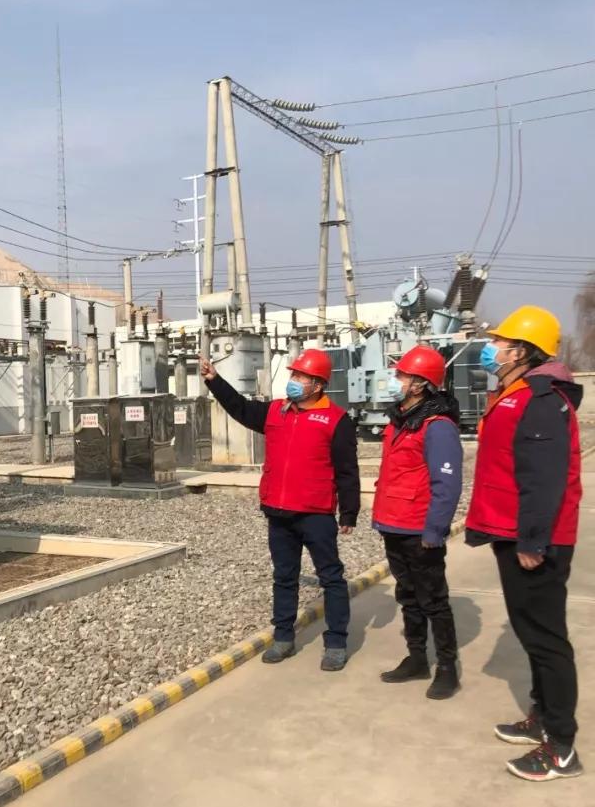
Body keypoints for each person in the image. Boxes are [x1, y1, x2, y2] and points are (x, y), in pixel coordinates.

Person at [465, 305, 583, 782]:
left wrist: (533, 541)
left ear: (521, 351)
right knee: (531, 632)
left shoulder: (541, 399)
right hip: (510, 530)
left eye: (499, 342)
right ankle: (543, 716)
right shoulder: (515, 394)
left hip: (533, 539)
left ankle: (562, 748)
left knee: (546, 639)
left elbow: (544, 478)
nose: (491, 348)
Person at [201, 348, 359, 671]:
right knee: (284, 577)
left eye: (301, 376)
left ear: (318, 384)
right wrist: (215, 381)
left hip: (316, 514)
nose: (294, 380)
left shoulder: (336, 420)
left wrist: (349, 512)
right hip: (279, 511)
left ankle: (336, 643)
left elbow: (347, 471)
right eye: (294, 374)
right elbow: (240, 408)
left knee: (331, 578)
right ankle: (284, 637)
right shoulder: (276, 411)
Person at [372, 345, 463, 700]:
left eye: (402, 375)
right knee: (408, 596)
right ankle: (417, 658)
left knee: (433, 600)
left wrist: (435, 530)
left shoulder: (437, 427)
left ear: (420, 383)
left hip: (419, 529)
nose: (395, 380)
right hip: (393, 523)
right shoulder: (400, 421)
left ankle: (447, 667)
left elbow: (447, 484)